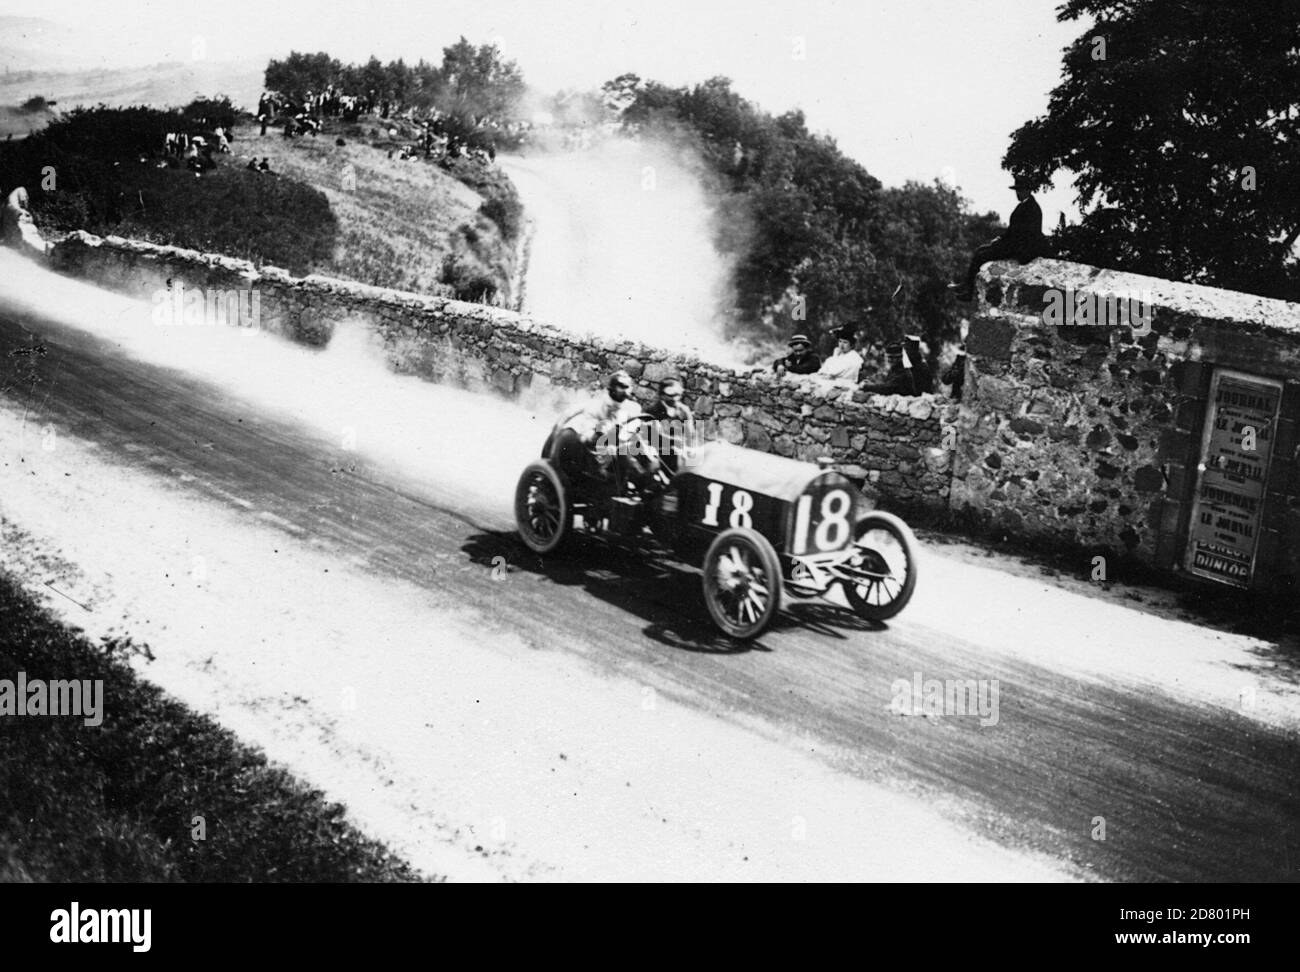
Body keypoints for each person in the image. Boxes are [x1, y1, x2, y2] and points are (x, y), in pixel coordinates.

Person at [952, 174, 1048, 301]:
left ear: (1027, 190)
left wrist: (1002, 243)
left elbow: (1023, 234)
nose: (1017, 193)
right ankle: (966, 285)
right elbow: (1012, 230)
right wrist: (999, 239)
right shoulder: (1024, 205)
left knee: (982, 256)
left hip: (1022, 249)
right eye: (1017, 190)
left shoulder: (1032, 208)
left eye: (1020, 190)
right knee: (980, 250)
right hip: (1015, 244)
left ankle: (969, 292)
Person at [549, 371, 643, 483]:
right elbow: (570, 415)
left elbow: (636, 426)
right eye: (621, 387)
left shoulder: (632, 407)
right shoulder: (597, 405)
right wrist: (556, 431)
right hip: (594, 450)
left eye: (627, 387)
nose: (625, 391)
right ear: (611, 388)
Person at [644, 377, 696, 474]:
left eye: (678, 395)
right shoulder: (652, 411)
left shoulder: (684, 410)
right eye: (671, 395)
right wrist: (674, 442)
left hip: (681, 450)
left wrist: (687, 448)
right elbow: (651, 436)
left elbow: (690, 433)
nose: (675, 398)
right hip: (659, 451)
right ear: (662, 395)